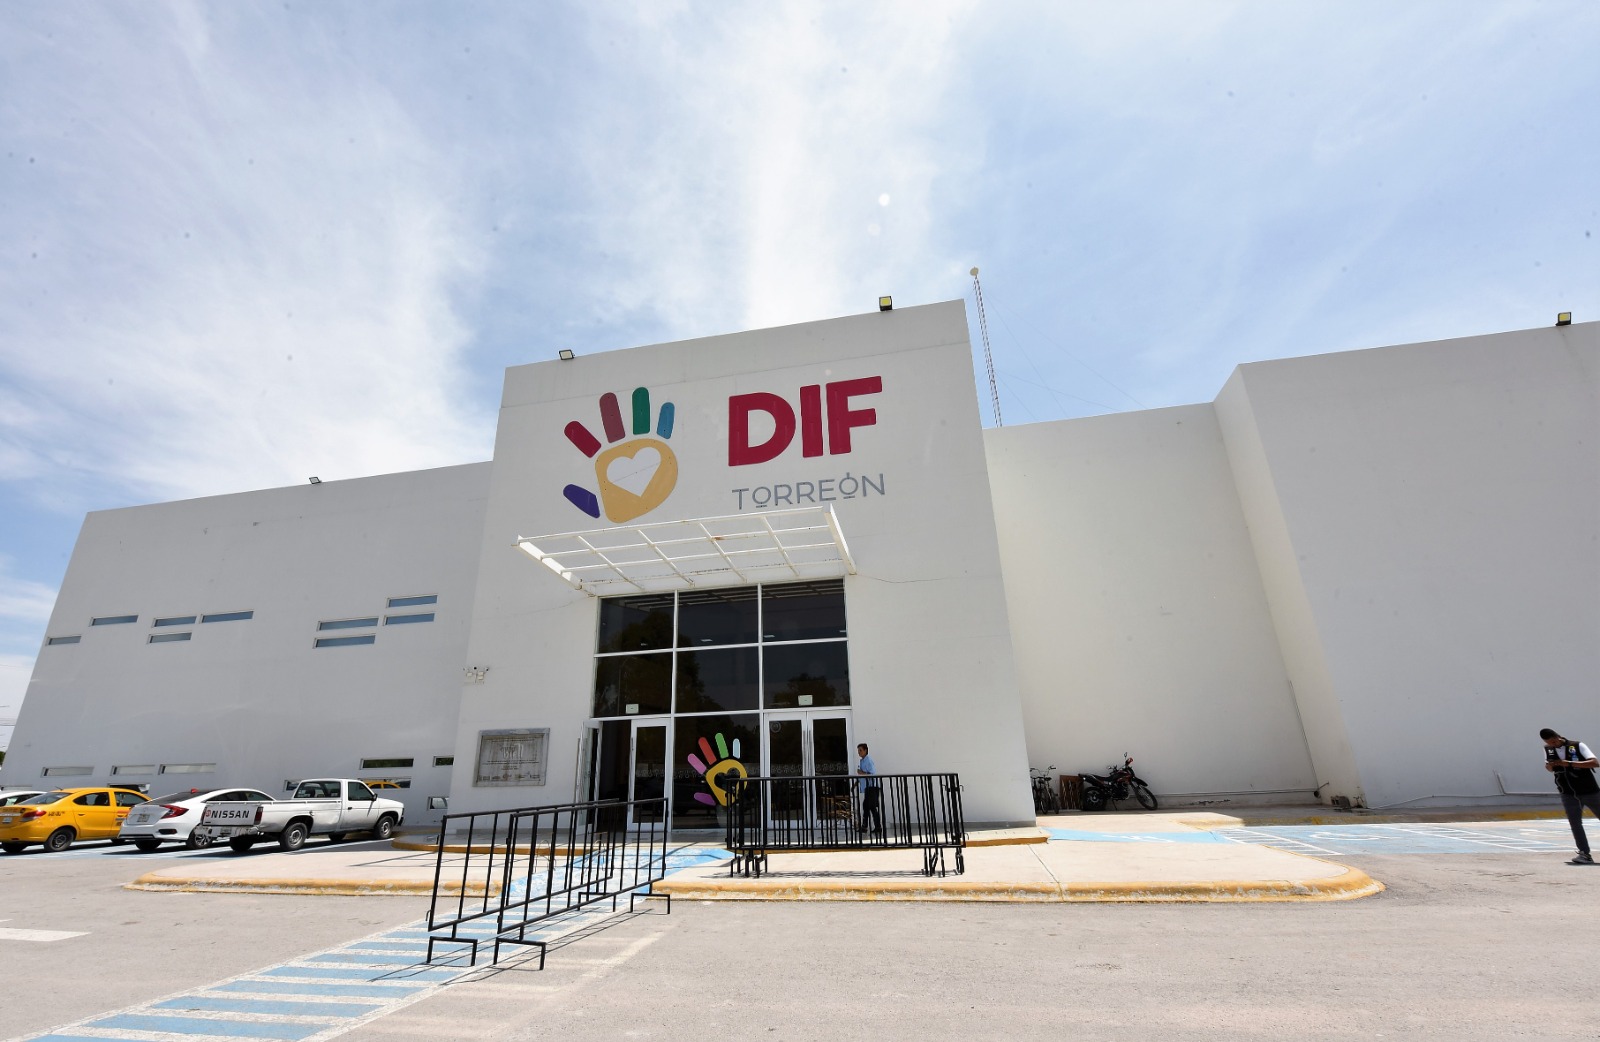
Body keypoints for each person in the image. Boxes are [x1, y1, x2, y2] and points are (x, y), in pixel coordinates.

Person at [1541, 727, 1600, 865]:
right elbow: (1548, 768)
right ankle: (1584, 854)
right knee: (1575, 824)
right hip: (1567, 793)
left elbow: (1595, 763)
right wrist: (1551, 765)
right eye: (1549, 743)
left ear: (1558, 737)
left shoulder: (1577, 745)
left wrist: (1569, 763)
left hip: (1589, 791)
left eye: (1554, 742)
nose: (1553, 745)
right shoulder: (1548, 749)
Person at [856, 742, 883, 838]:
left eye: (860, 750)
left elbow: (872, 774)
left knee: (871, 807)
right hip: (867, 788)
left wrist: (861, 773)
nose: (859, 752)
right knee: (866, 807)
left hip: (872, 787)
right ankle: (865, 827)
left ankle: (877, 827)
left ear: (865, 750)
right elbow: (863, 775)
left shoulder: (868, 760)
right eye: (858, 750)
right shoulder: (862, 761)